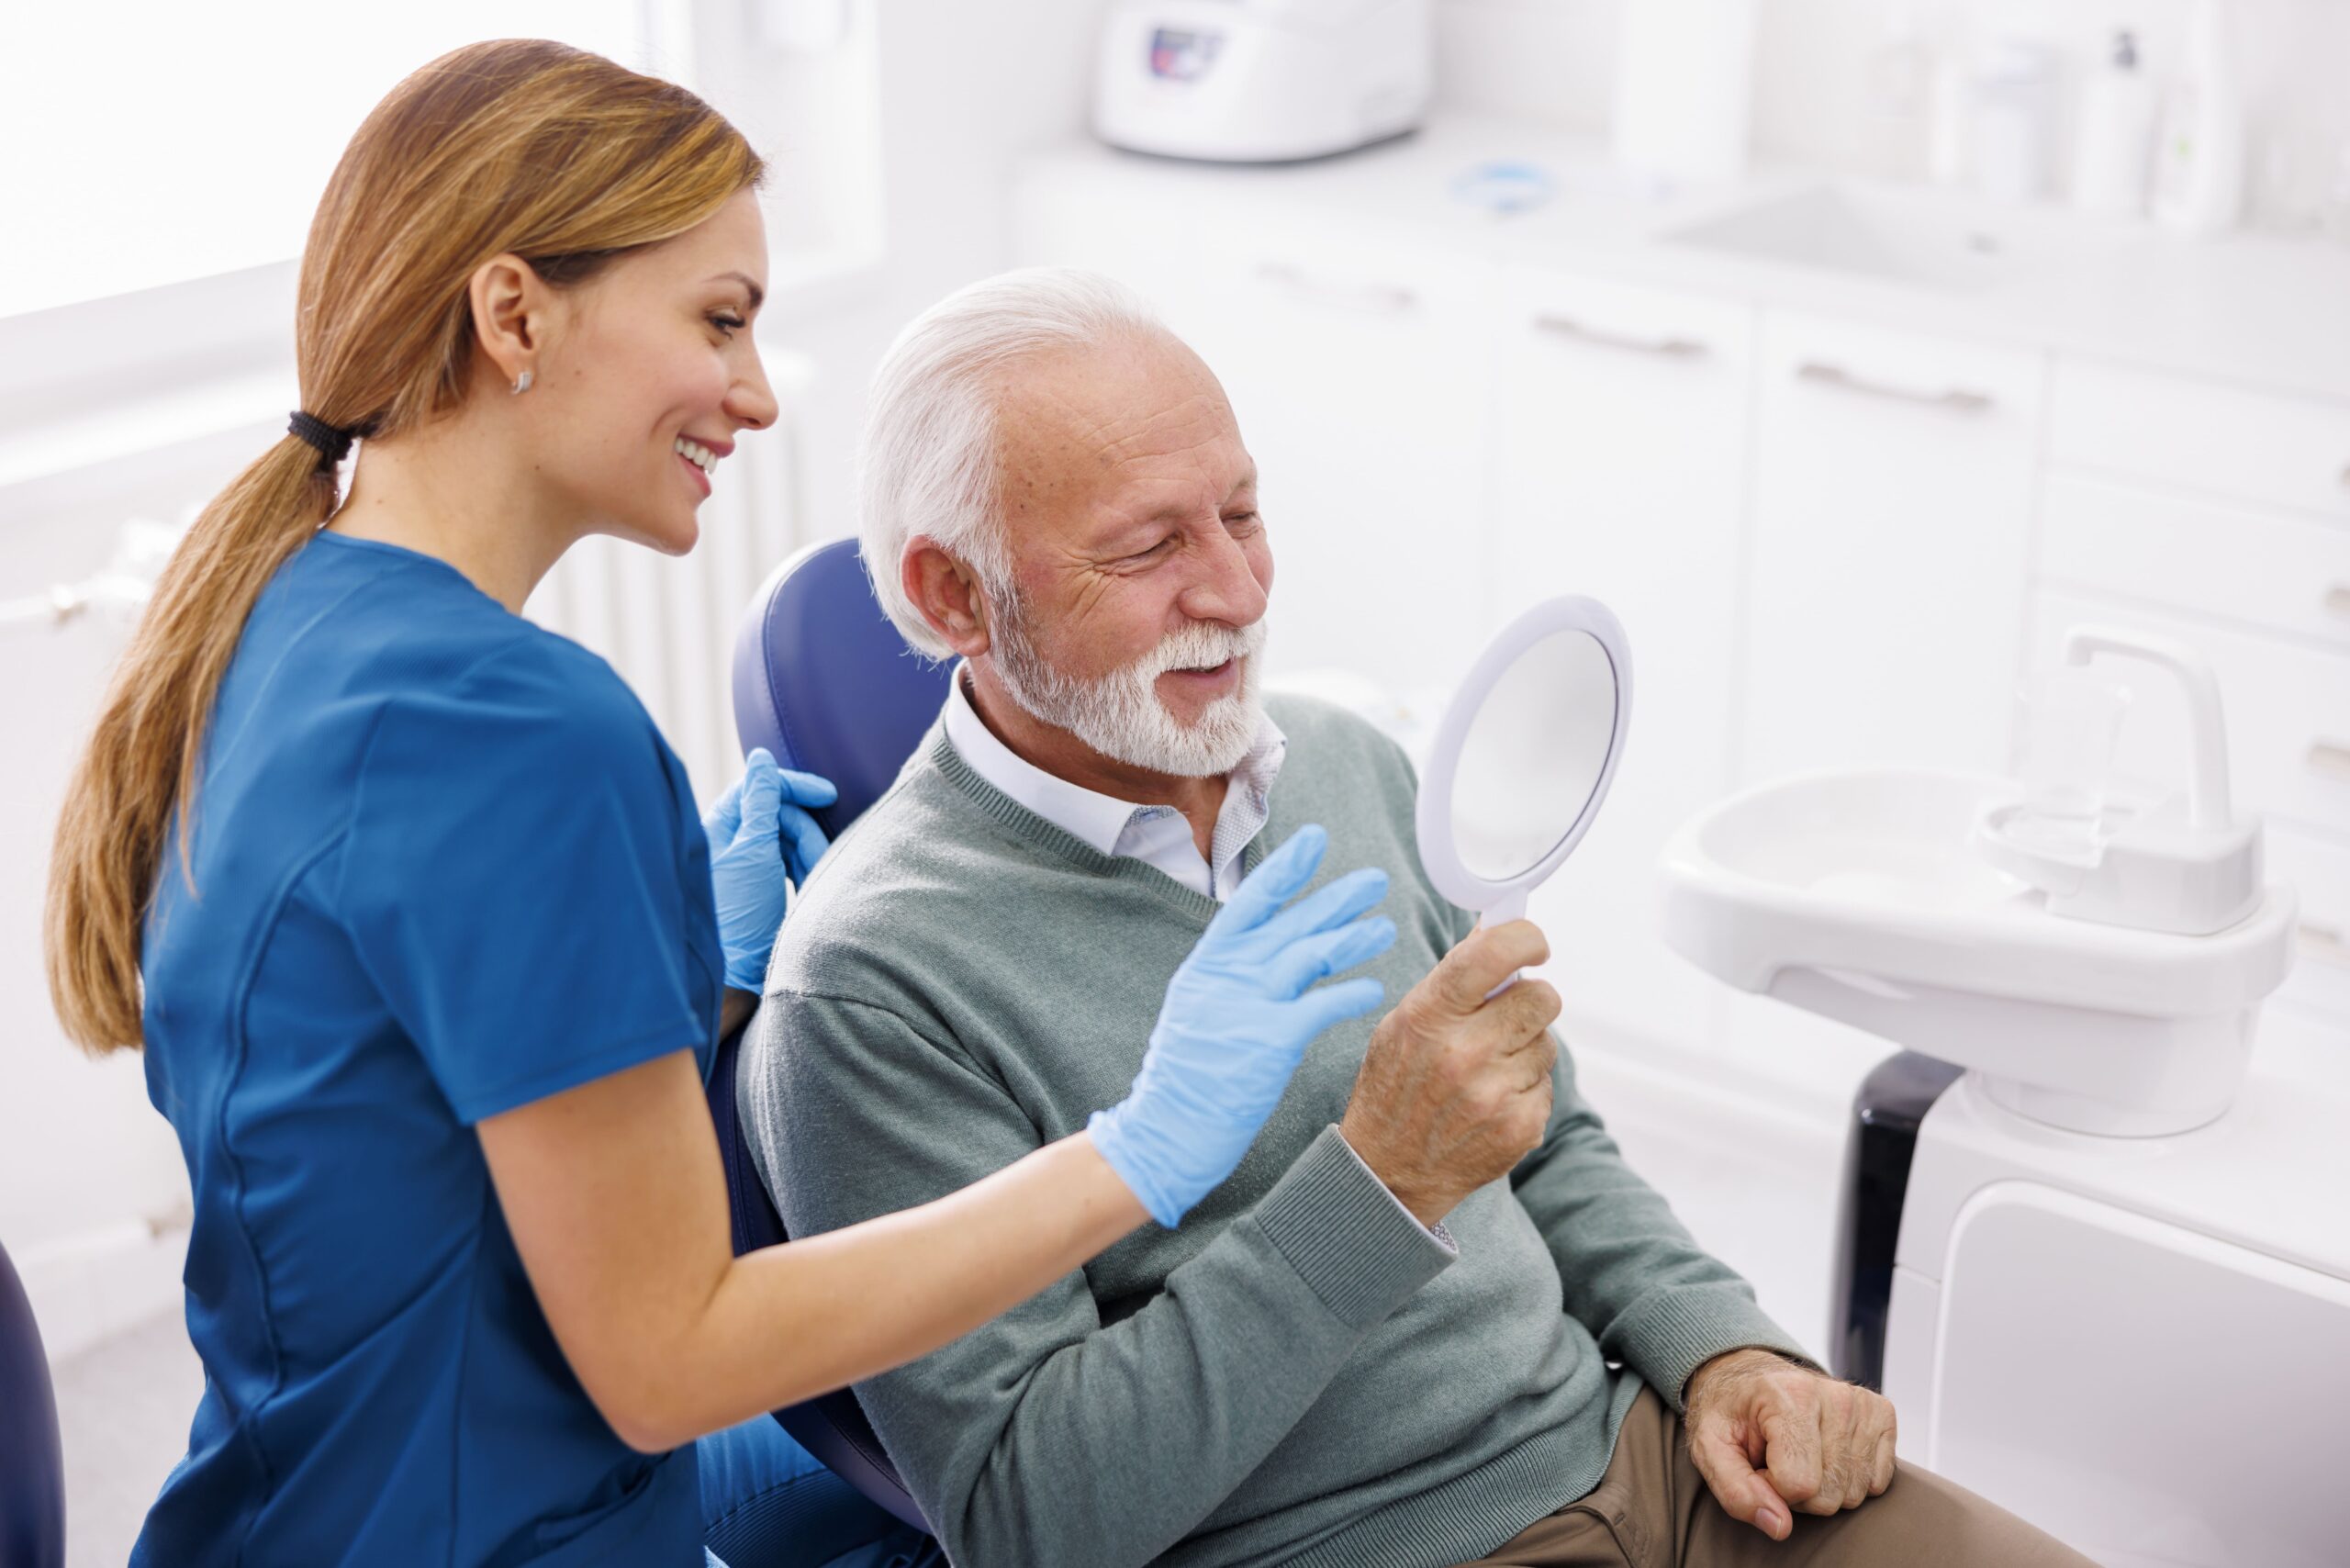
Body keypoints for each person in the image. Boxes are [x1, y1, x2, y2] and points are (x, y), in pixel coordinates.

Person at [39, 44, 1402, 1568]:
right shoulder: (524, 734)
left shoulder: (282, 616)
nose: (756, 393)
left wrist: (697, 984)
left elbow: (417, 1130)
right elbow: (668, 1363)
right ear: (513, 316)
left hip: (289, 1492)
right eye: (720, 320)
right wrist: (1134, 1154)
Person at [740, 268, 2099, 1568]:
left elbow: (1549, 1140)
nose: (1237, 592)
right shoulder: (873, 991)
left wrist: (1723, 1346)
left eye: (1244, 513)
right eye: (1150, 546)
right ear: (951, 594)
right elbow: (1032, 1523)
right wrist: (1378, 1184)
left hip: (1651, 1459)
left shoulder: (1343, 762)